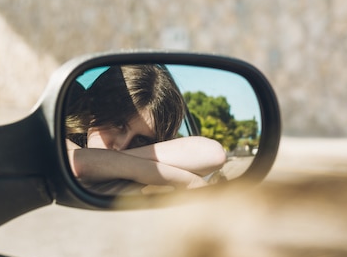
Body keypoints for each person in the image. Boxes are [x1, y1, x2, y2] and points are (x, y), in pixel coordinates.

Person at [65, 64, 226, 193]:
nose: (122, 146)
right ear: (93, 109)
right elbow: (79, 163)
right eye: (118, 125)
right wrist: (184, 180)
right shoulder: (58, 141)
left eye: (141, 140)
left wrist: (111, 160)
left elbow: (214, 154)